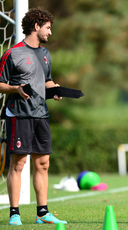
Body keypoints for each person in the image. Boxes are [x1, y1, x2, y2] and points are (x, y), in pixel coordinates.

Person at [0, 8, 67, 225]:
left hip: (41, 114)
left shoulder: (46, 54)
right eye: (48, 27)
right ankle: (14, 213)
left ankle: (42, 213)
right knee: (18, 164)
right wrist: (15, 89)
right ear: (36, 27)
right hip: (19, 114)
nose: (50, 32)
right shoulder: (12, 53)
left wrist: (54, 88)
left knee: (43, 164)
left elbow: (45, 80)